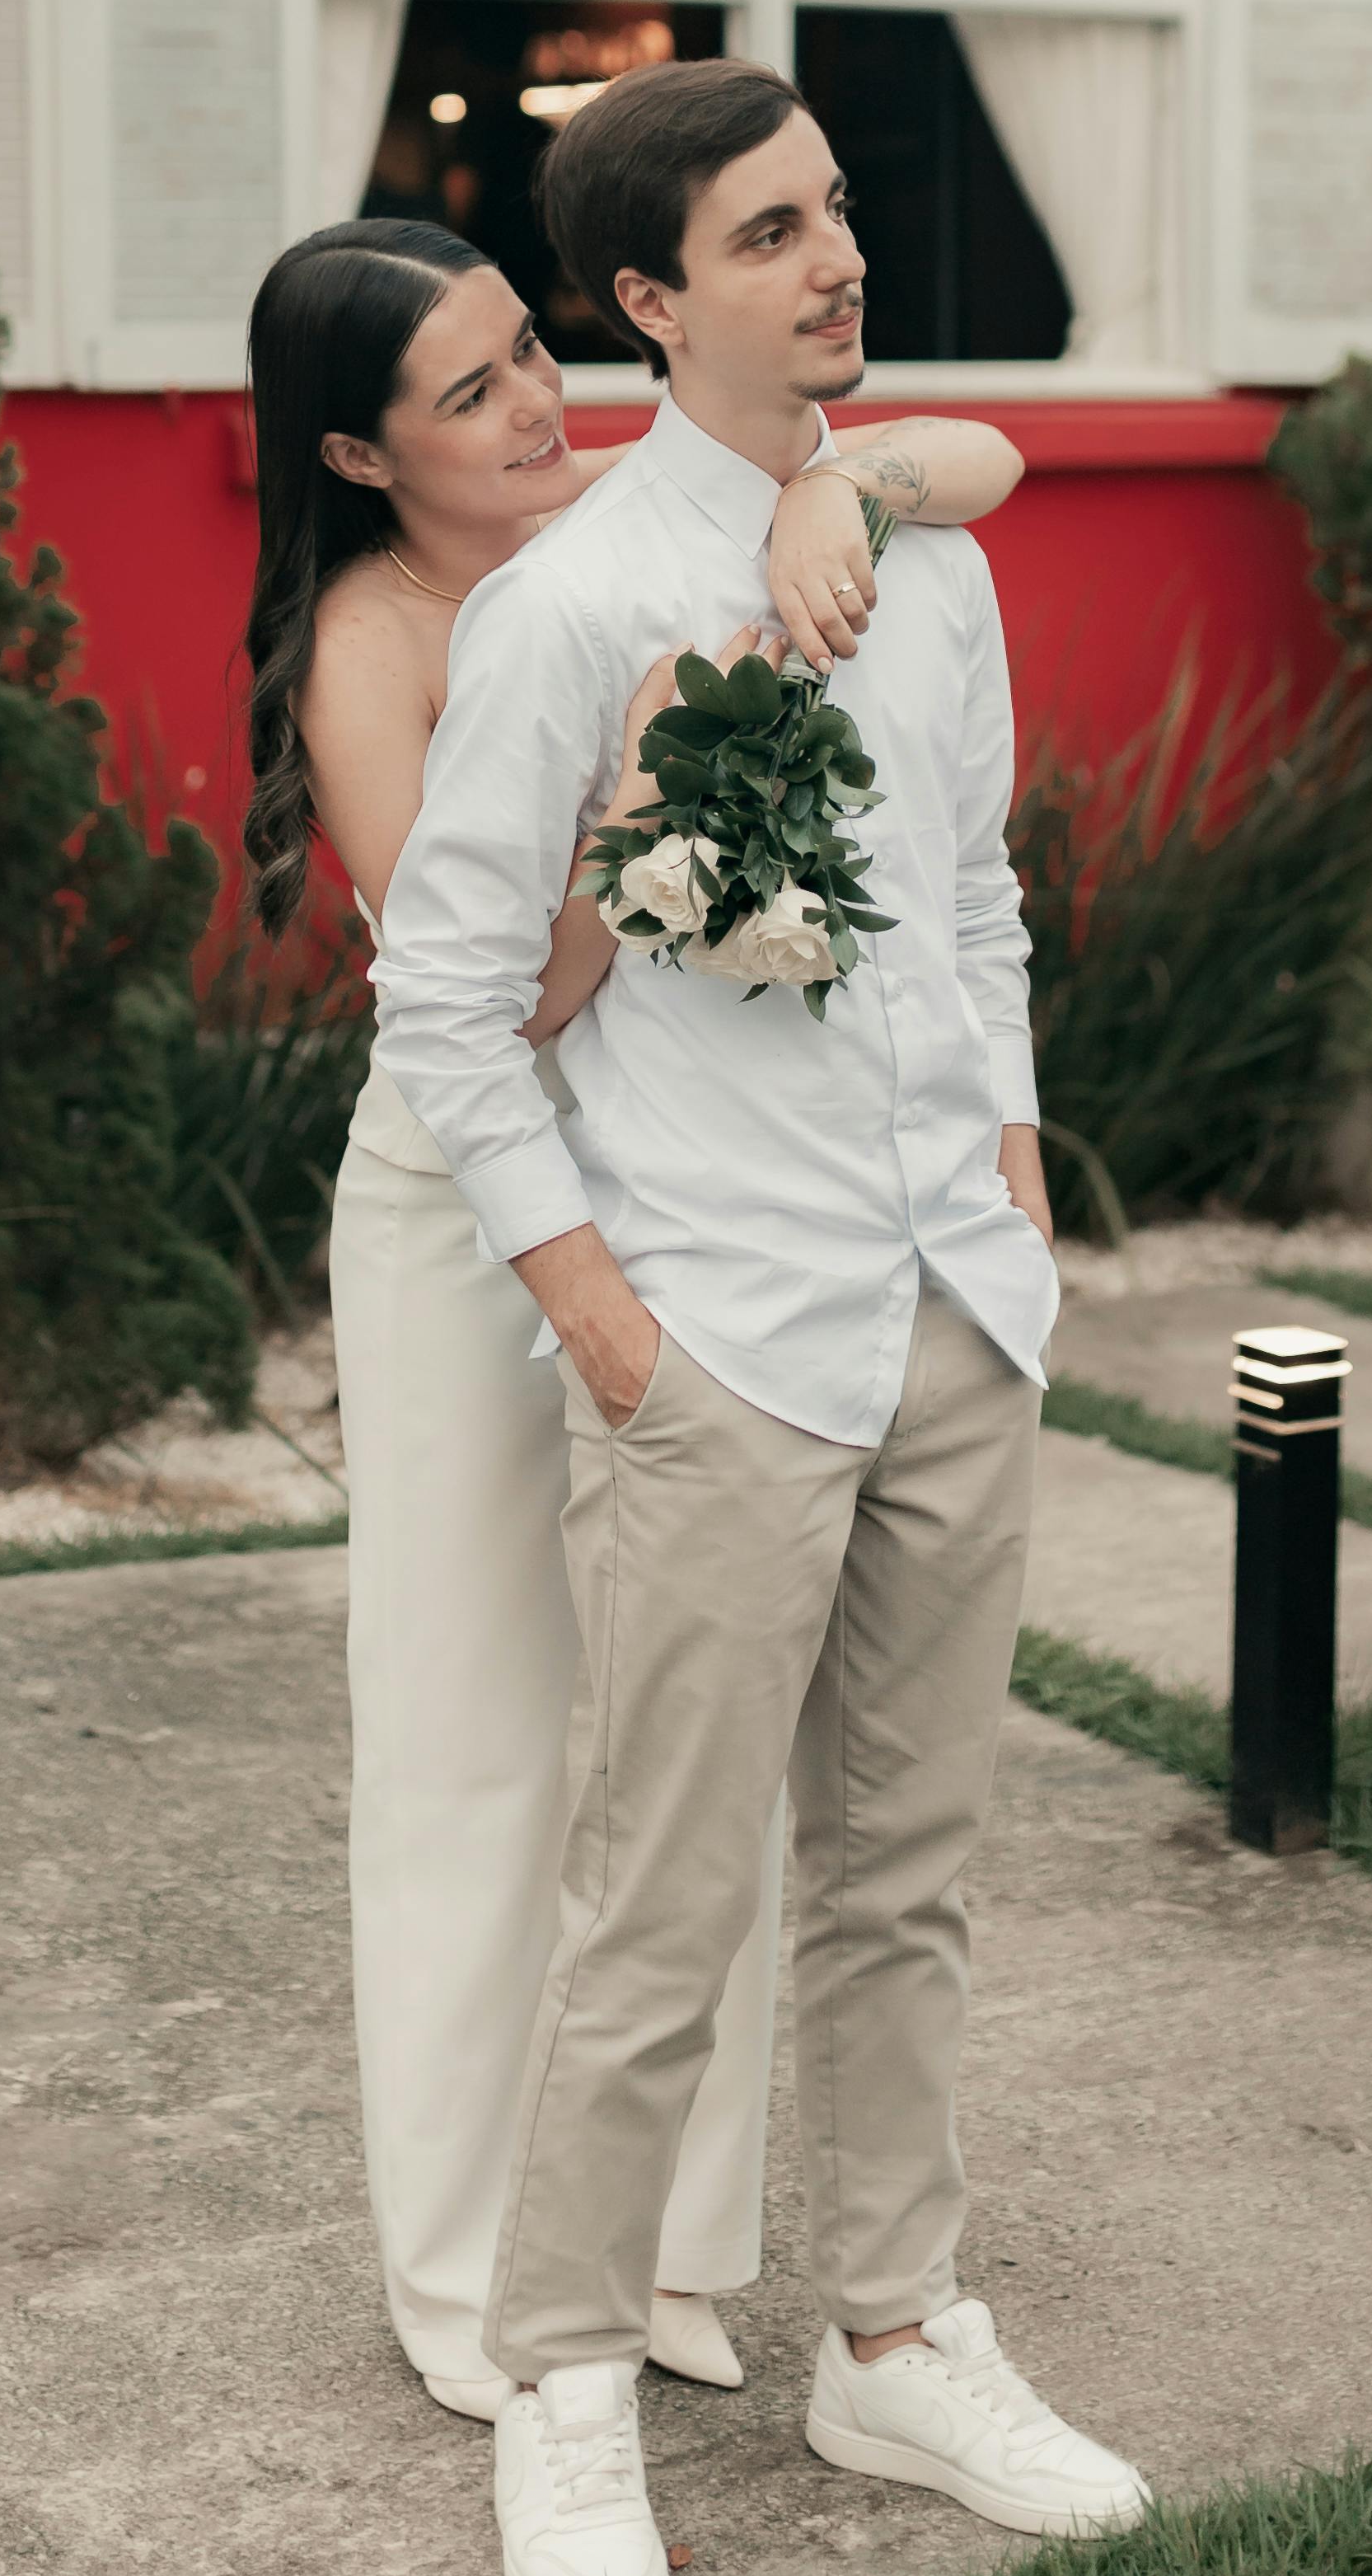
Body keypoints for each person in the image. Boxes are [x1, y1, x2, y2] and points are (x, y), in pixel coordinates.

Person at [371, 63, 1151, 2576]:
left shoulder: (922, 553)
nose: (834, 259)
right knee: (665, 1896)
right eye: (769, 232)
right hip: (717, 1337)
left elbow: (980, 893)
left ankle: (898, 2337)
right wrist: (598, 1320)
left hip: (954, 1307)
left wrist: (1017, 1166)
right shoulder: (573, 607)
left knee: (908, 1885)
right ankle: (569, 2374)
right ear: (645, 297)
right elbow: (451, 1010)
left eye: (834, 213)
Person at [240, 211, 1026, 2424]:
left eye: (529, 354)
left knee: (699, 1731)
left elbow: (975, 453)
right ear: (358, 454)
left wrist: (833, 484)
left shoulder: (614, 513)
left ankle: (674, 2255)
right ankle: (473, 2276)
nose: (536, 408)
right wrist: (649, 777)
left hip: (681, 1201)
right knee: (489, 1737)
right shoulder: (380, 643)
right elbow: (510, 993)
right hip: (470, 1229)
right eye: (472, 393)